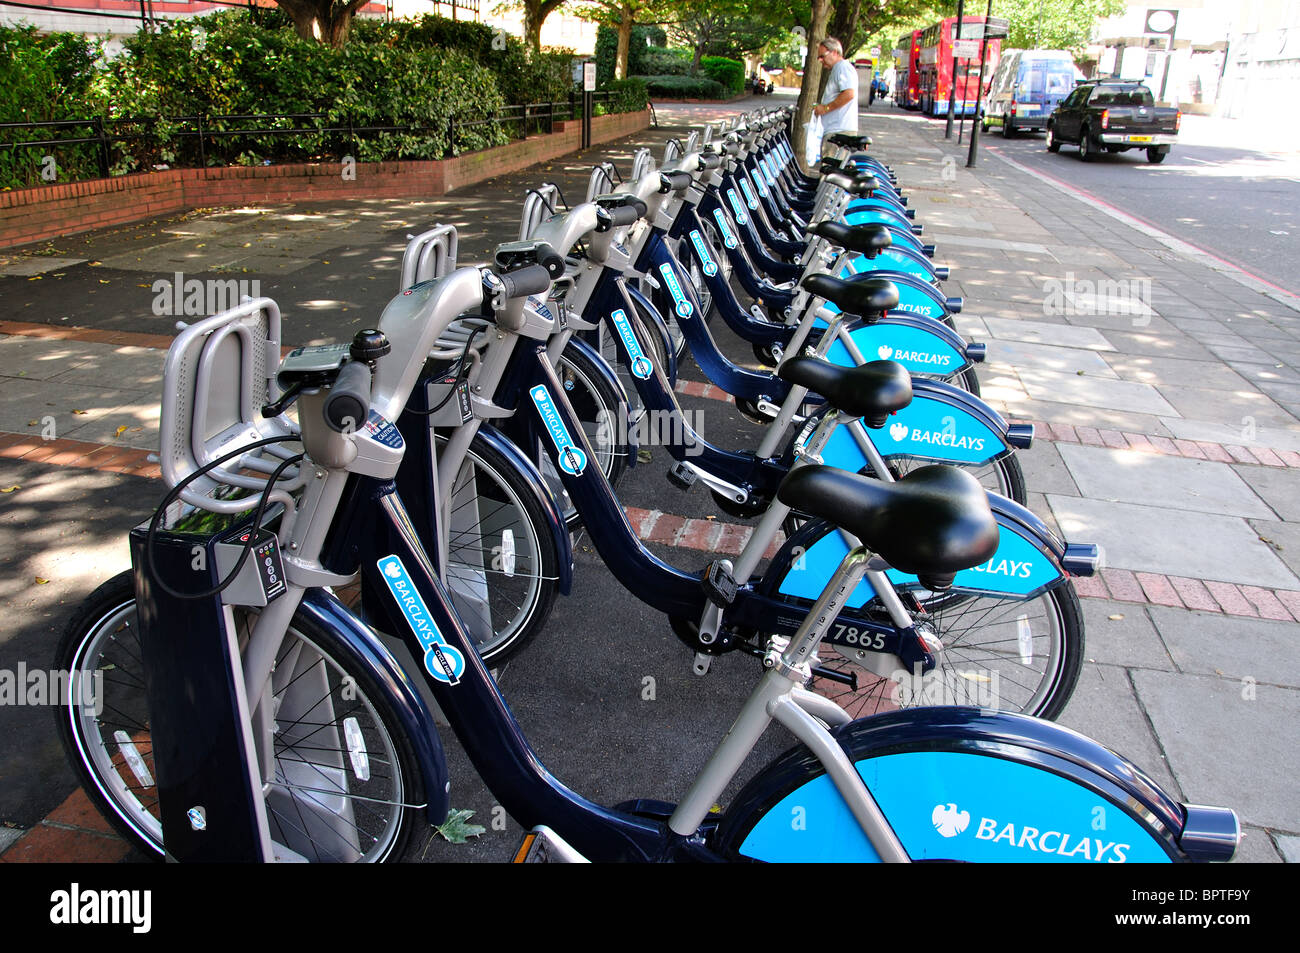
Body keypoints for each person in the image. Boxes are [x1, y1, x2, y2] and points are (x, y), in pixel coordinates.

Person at [812, 36, 859, 151]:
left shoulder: (842, 68)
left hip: (838, 131)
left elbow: (849, 93)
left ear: (834, 52)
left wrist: (825, 108)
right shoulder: (838, 69)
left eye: (822, 56)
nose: (820, 60)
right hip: (835, 130)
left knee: (832, 168)